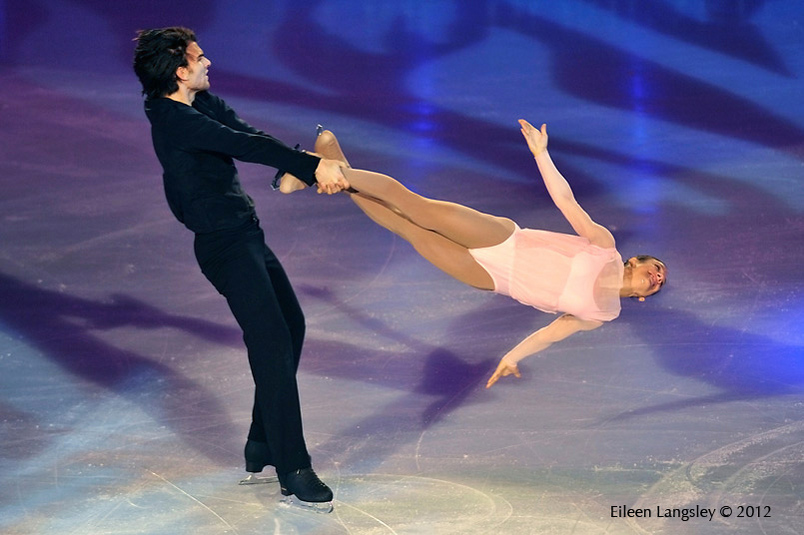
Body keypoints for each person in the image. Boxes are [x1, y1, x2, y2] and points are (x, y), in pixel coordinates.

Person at [132, 27, 349, 511]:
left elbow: (251, 135)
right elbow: (240, 145)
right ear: (180, 71)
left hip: (245, 234)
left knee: (290, 326)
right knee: (271, 341)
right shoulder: (173, 119)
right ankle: (293, 467)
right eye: (200, 57)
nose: (209, 62)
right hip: (223, 245)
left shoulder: (199, 103)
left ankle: (262, 443)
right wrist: (314, 170)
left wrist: (300, 164)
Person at [280, 121, 666, 389]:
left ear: (644, 296)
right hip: (505, 240)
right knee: (416, 208)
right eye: (657, 266)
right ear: (636, 260)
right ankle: (311, 166)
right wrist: (541, 155)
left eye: (660, 281)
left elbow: (552, 332)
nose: (658, 275)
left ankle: (332, 160)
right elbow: (566, 201)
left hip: (490, 276)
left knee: (404, 226)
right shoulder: (604, 246)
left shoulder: (602, 315)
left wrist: (513, 356)